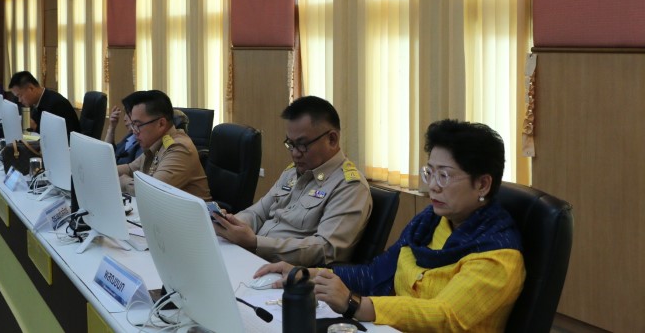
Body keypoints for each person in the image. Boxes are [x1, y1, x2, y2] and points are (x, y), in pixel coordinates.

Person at [255, 119, 525, 332]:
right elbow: (375, 274)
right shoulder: (429, 224)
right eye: (430, 172)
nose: (432, 185)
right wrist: (309, 274)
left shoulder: (497, 255)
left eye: (444, 175)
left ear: (482, 184)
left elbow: (445, 315)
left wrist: (357, 305)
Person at [213, 96, 372, 266]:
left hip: (285, 273)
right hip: (252, 257)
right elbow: (258, 213)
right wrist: (230, 224)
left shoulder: (349, 186)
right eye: (291, 144)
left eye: (303, 144)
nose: (295, 153)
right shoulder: (293, 172)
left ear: (332, 139)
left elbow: (325, 248)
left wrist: (256, 243)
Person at [116, 90, 211, 200]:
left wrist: (124, 182)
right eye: (133, 125)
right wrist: (105, 171)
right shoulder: (157, 143)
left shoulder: (179, 148)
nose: (134, 131)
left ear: (161, 124)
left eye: (138, 125)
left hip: (188, 211)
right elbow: (130, 169)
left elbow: (153, 192)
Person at [8, 71, 79, 135]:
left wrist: (35, 127)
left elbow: (60, 136)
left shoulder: (57, 104)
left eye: (20, 95)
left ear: (31, 88)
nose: (19, 100)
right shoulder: (37, 102)